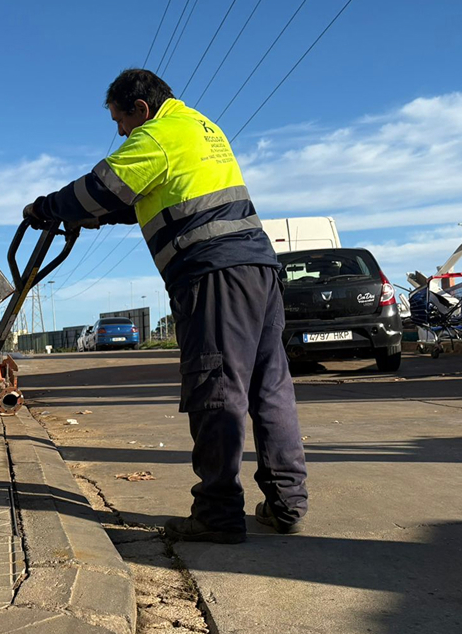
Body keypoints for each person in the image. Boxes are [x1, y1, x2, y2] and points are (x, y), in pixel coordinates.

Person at [23, 68, 308, 543]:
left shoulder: (155, 135)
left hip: (214, 275)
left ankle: (217, 514)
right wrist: (99, 217)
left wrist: (47, 207)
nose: (119, 132)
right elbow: (147, 195)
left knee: (217, 388)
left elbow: (102, 186)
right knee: (269, 386)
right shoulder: (199, 126)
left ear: (141, 108)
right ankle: (287, 503)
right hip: (258, 268)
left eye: (120, 120)